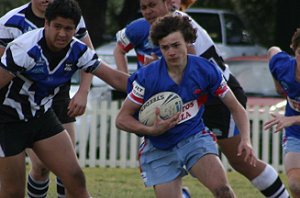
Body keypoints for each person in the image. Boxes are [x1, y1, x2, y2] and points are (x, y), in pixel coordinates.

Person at [113, 0, 290, 197]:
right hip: (169, 128)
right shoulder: (148, 68)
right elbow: (119, 52)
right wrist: (149, 127)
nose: (147, 11)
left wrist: (246, 140)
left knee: (238, 165)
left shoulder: (193, 53)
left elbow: (192, 70)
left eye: (152, 5)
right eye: (143, 7)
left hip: (213, 99)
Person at [0, 0, 128, 197]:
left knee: (75, 178)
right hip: (7, 121)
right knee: (13, 193)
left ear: (75, 29)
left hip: (40, 116)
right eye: (57, 27)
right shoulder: (25, 49)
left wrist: (152, 88)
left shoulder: (78, 50)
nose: (62, 34)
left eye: (68, 29)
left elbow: (116, 79)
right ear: (46, 24)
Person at [264, 28, 300, 198]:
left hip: (292, 123)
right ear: (294, 49)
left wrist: (292, 119)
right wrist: (278, 85)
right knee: (295, 184)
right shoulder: (283, 66)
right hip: (295, 134)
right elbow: (272, 51)